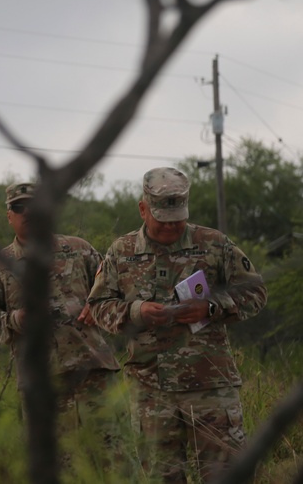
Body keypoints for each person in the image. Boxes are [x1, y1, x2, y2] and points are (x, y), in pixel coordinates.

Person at [87, 167, 267, 483]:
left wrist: (211, 307)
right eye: (162, 218)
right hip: (151, 390)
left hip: (210, 386)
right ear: (143, 209)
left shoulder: (214, 243)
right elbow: (98, 306)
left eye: (178, 217)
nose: (171, 226)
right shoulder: (121, 252)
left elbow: (255, 291)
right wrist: (136, 312)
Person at [0, 182, 119, 434]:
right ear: (9, 216)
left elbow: (114, 287)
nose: (27, 212)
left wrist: (98, 306)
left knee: (111, 457)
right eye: (19, 207)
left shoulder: (79, 250)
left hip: (94, 372)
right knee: (57, 466)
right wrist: (16, 320)